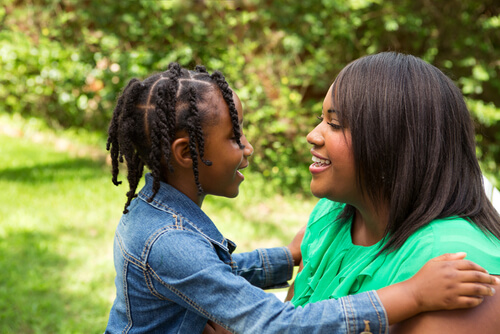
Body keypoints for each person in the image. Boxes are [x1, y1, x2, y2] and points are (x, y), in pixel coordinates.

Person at [104, 63, 498, 334]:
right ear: (186, 154)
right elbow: (278, 325)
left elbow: (212, 272)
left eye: (335, 123)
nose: (249, 147)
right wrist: (409, 294)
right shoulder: (168, 240)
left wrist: (287, 257)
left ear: (395, 145)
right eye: (234, 137)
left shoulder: (153, 212)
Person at [289, 52, 500, 332]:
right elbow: (287, 320)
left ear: (394, 145)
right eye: (322, 119)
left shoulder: (457, 266)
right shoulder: (333, 215)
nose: (313, 135)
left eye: (335, 124)